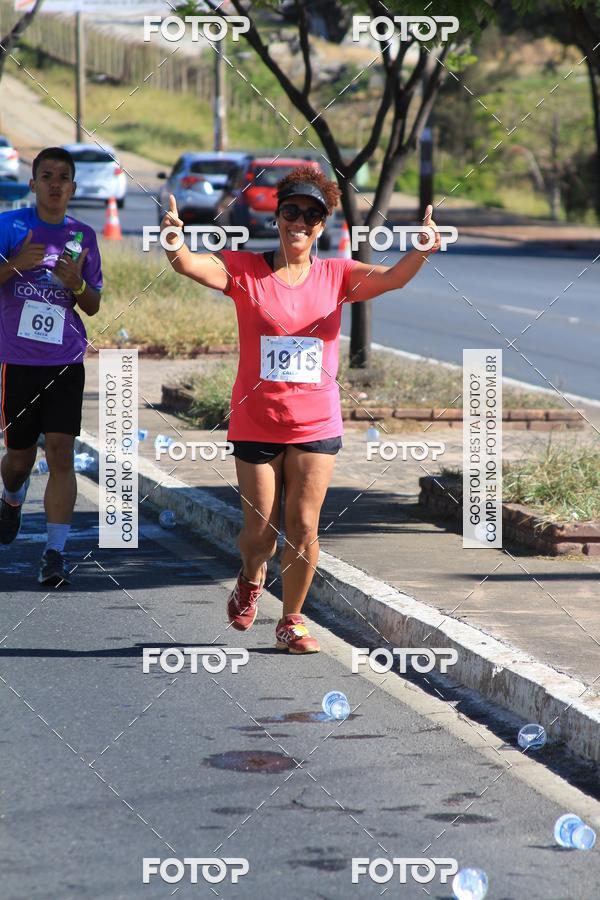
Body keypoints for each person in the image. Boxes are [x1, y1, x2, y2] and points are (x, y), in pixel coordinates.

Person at [162, 165, 440, 654]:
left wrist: (420, 249)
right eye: (291, 211)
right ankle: (251, 575)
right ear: (278, 216)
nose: (299, 222)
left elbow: (395, 278)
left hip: (316, 422)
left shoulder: (337, 275)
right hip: (257, 420)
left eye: (312, 215)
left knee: (305, 525)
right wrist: (173, 242)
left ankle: (291, 619)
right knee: (260, 533)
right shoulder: (245, 269)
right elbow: (189, 264)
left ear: (322, 225)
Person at [0, 146, 102, 585]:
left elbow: (93, 304)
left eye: (63, 177)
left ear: (72, 187)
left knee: (61, 451)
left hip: (65, 358)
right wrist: (14, 265)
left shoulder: (83, 236)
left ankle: (54, 553)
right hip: (16, 359)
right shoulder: (9, 226)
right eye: (47, 176)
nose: (55, 184)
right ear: (33, 183)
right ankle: (11, 496)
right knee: (19, 457)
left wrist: (76, 283)